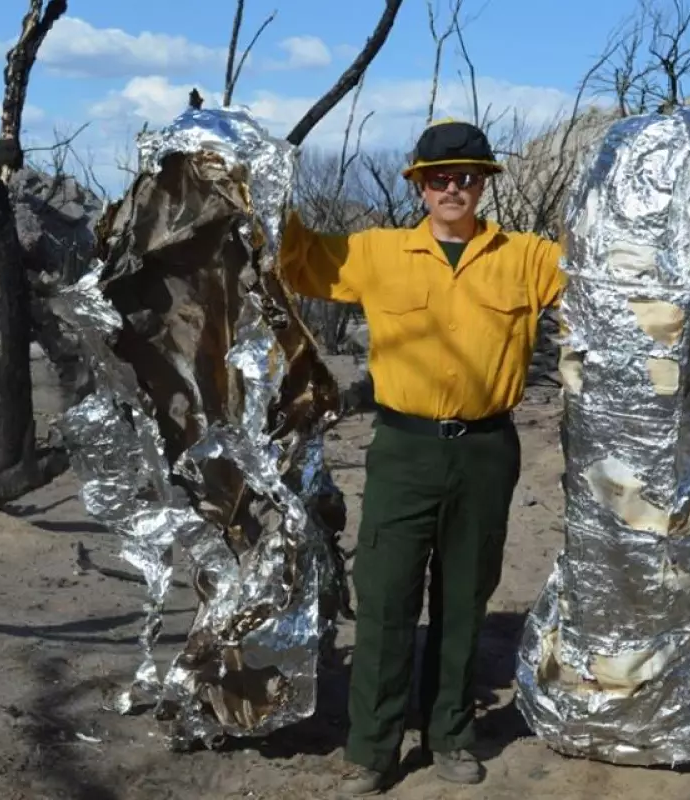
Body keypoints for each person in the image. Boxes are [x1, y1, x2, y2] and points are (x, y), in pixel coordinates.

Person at [278, 118, 564, 796]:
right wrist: (266, 178)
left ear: (484, 183)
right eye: (439, 178)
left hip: (488, 451)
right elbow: (295, 258)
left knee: (464, 601)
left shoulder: (528, 257)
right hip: (403, 449)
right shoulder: (377, 252)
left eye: (466, 177)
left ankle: (452, 737)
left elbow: (607, 276)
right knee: (384, 600)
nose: (453, 189)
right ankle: (371, 750)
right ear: (420, 185)